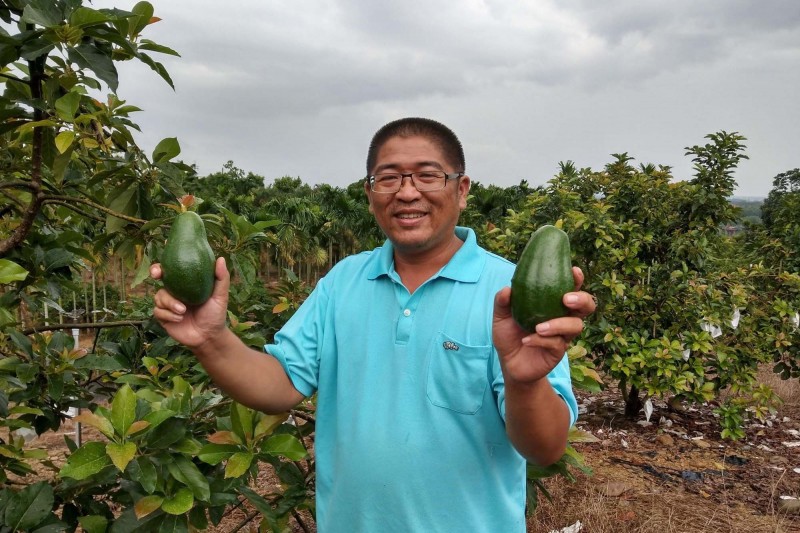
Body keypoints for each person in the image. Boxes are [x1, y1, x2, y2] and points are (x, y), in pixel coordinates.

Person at [152, 117, 596, 532]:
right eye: (388, 178)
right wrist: (211, 340)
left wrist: (524, 382)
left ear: (461, 189)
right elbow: (281, 385)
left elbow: (544, 448)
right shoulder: (344, 280)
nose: (406, 193)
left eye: (426, 175)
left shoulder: (509, 291)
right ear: (370, 194)